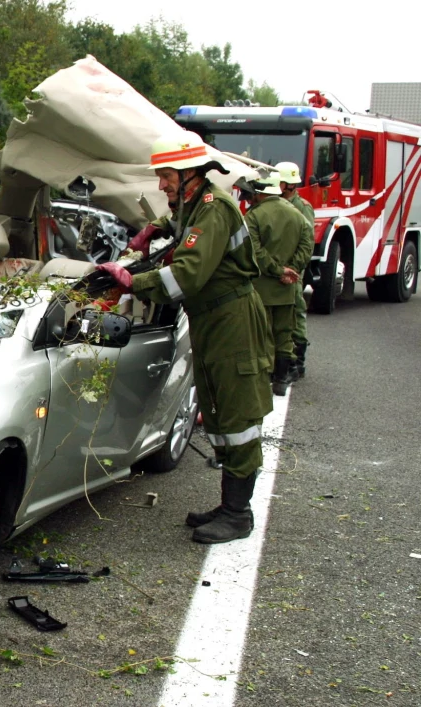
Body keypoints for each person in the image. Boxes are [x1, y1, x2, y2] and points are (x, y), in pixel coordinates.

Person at [96, 131, 273, 544]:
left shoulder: (214, 209)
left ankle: (237, 513)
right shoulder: (193, 205)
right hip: (212, 320)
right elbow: (177, 224)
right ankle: (229, 505)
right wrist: (152, 230)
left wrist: (131, 282)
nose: (162, 185)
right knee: (215, 409)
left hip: (234, 322)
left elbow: (187, 274)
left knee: (238, 416)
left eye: (167, 176)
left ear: (191, 172)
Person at [243, 171, 314, 396]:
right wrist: (291, 270)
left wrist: (275, 269)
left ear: (259, 192)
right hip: (288, 287)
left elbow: (253, 250)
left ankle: (263, 378)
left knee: (260, 334)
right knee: (284, 333)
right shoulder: (297, 214)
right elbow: (307, 245)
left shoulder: (253, 216)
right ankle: (282, 379)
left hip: (260, 287)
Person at [275, 161, 315, 379]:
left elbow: (307, 241)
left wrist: (294, 269)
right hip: (279, 270)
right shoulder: (278, 205)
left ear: (288, 184)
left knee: (296, 312)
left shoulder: (302, 208)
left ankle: (296, 361)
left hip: (293, 272)